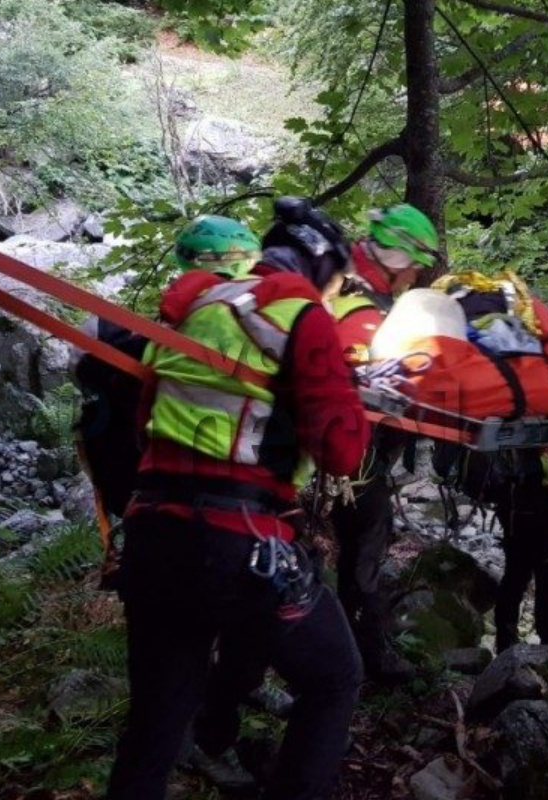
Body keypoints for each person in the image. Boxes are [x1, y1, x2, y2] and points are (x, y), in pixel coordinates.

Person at [106, 198, 370, 800]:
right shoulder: (301, 315)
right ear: (322, 267)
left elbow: (145, 419)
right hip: (238, 543)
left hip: (153, 533)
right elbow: (341, 452)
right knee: (333, 678)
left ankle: (210, 735)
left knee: (156, 723)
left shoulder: (195, 307)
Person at [329, 203, 439, 683]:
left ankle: (359, 653)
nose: (415, 274)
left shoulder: (345, 286)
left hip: (343, 451)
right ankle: (367, 660)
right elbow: (369, 383)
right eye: (415, 262)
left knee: (361, 546)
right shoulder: (360, 309)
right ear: (396, 256)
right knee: (365, 548)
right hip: (350, 457)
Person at [489, 447, 548, 654]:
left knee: (514, 578)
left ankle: (505, 642)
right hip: (543, 519)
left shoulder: (503, 440)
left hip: (513, 517)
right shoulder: (538, 438)